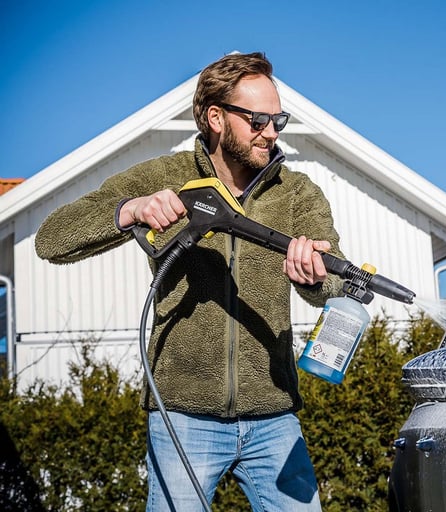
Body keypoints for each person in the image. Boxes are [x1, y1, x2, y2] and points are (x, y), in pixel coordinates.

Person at [35, 51, 344, 511]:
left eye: (278, 119)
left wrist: (315, 278)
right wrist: (132, 209)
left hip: (275, 417)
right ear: (216, 117)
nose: (272, 132)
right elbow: (51, 238)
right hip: (182, 418)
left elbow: (335, 279)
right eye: (258, 120)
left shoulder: (297, 193)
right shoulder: (165, 176)